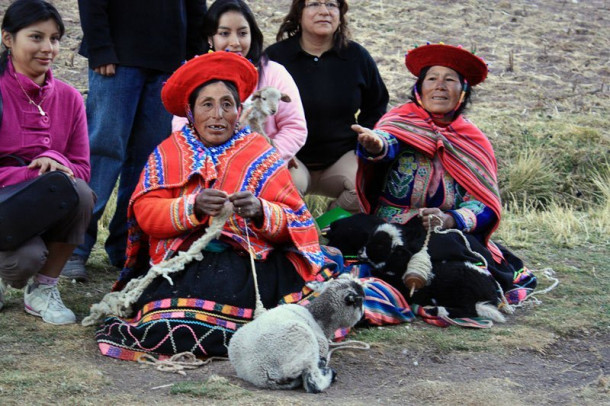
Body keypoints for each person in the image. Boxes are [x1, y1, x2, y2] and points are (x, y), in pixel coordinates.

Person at [92, 52, 328, 360]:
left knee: (303, 309)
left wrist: (260, 210)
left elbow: (298, 221)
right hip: (181, 264)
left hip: (250, 265)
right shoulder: (168, 153)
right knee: (165, 326)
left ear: (238, 110)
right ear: (190, 112)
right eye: (207, 104)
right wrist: (193, 207)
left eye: (227, 104)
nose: (218, 114)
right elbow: (147, 213)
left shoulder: (261, 152)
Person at [353, 43, 537, 308]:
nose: (440, 86)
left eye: (450, 80)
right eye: (432, 79)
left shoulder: (473, 141)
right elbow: (386, 144)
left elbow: (483, 202)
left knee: (449, 249)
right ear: (419, 89)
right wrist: (375, 146)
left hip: (442, 231)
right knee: (362, 235)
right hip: (393, 224)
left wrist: (451, 219)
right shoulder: (399, 122)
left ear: (462, 92)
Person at [62, 0, 207, 282]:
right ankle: (73, 248)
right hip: (116, 56)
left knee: (147, 162)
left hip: (168, 60)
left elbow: (196, 6)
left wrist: (195, 55)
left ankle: (127, 249)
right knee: (103, 151)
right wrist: (101, 46)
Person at [0, 0, 94, 324]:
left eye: (54, 39)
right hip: (3, 207)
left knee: (81, 192)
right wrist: (32, 174)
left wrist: (53, 160)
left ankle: (43, 289)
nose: (48, 48)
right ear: (8, 39)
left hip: (48, 207)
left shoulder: (69, 98)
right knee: (21, 263)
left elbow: (82, 167)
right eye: (36, 37)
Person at [265, 0, 388, 213]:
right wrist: (280, 148)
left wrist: (366, 136)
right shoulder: (276, 57)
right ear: (299, 13)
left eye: (331, 4)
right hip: (293, 159)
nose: (324, 11)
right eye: (314, 4)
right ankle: (299, 231)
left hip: (340, 158)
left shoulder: (357, 57)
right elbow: (260, 109)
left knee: (368, 185)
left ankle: (326, 230)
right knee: (280, 192)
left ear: (340, 13)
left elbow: (377, 104)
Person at [172, 0, 307, 165]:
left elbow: (294, 128)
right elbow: (182, 127)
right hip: (207, 166)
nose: (235, 42)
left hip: (265, 164)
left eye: (242, 33)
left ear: (253, 35)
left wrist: (268, 159)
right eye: (224, 33)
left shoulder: (274, 73)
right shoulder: (196, 74)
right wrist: (210, 163)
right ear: (210, 38)